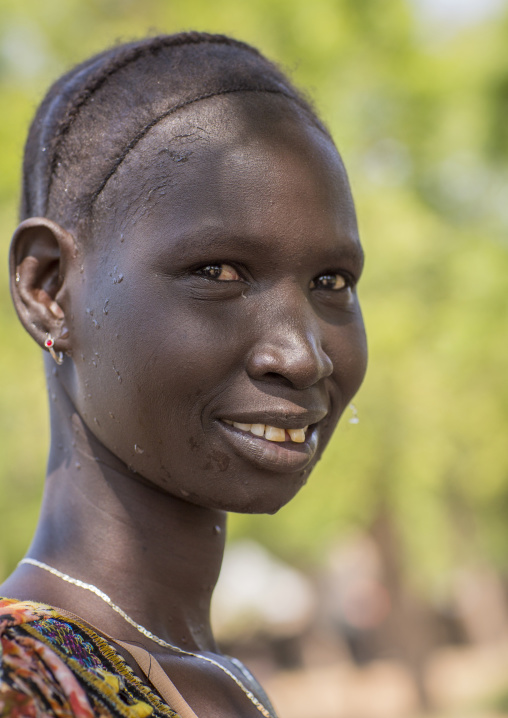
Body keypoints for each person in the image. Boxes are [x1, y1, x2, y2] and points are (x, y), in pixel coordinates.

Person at [0, 32, 367, 718]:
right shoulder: (22, 682)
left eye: (330, 280)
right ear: (48, 287)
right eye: (219, 272)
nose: (302, 355)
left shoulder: (217, 678)